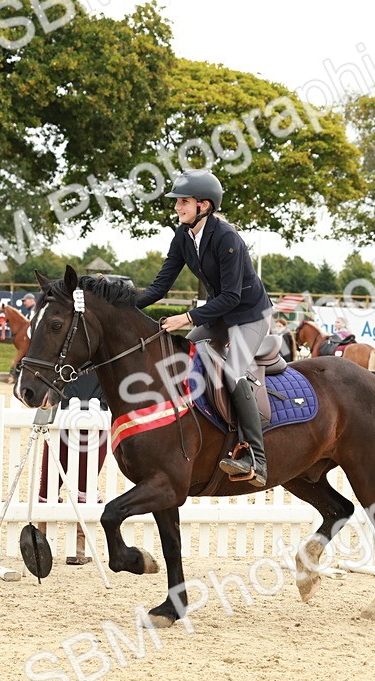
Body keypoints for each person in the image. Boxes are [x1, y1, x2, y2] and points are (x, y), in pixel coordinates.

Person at [136, 169, 274, 488]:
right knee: (185, 354)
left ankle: (257, 457)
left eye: (183, 202)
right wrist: (121, 307)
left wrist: (188, 317)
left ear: (204, 205)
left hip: (250, 315)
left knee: (234, 371)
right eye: (177, 202)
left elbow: (231, 296)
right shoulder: (183, 236)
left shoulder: (226, 238)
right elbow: (158, 287)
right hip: (221, 315)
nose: (177, 207)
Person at [38, 372, 109, 565]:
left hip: (92, 416)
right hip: (67, 416)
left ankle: (78, 544)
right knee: (52, 483)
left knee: (82, 484)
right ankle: (43, 539)